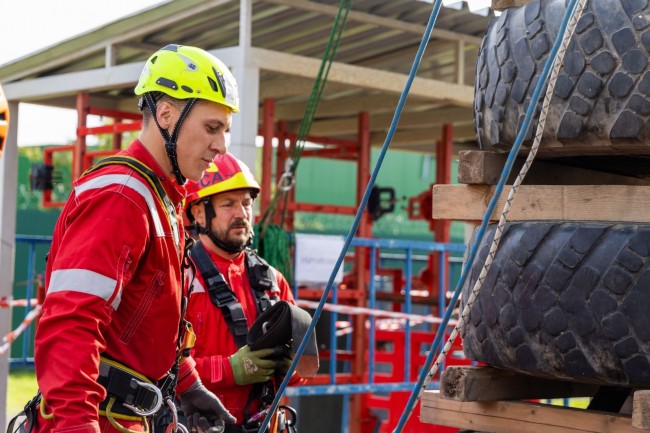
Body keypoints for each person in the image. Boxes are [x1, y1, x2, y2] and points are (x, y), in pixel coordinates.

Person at [27, 44, 240, 433]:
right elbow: (70, 325)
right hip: (95, 420)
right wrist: (77, 427)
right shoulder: (122, 195)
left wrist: (188, 384)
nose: (221, 146)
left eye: (225, 130)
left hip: (127, 418)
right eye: (212, 128)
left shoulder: (160, 197)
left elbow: (143, 315)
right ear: (166, 114)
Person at [183, 154, 304, 433]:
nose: (241, 213)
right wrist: (230, 370)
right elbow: (159, 369)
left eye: (246, 203)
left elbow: (303, 370)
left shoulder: (273, 281)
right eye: (228, 204)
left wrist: (292, 366)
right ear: (199, 213)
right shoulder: (181, 278)